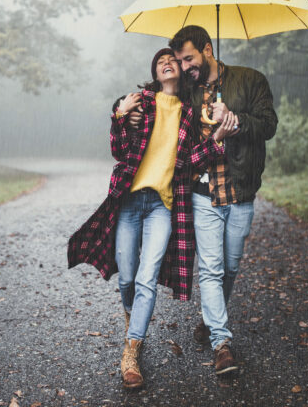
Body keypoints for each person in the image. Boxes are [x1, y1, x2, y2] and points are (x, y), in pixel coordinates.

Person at [67, 48, 238, 389]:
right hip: (130, 201)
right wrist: (118, 115)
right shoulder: (140, 103)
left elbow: (189, 160)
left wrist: (217, 138)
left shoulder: (189, 113)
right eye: (160, 61)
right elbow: (119, 150)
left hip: (163, 204)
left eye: (171, 60)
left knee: (146, 278)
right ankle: (134, 318)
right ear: (155, 72)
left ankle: (131, 351)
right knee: (127, 277)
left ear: (177, 70)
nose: (166, 63)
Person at [169, 25, 278, 375]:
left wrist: (235, 119)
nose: (185, 67)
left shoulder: (251, 80)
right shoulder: (186, 93)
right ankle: (222, 344)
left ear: (207, 48)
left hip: (241, 192)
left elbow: (269, 125)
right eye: (181, 61)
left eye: (189, 58)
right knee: (212, 271)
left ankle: (208, 318)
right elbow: (163, 113)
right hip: (204, 195)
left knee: (230, 268)